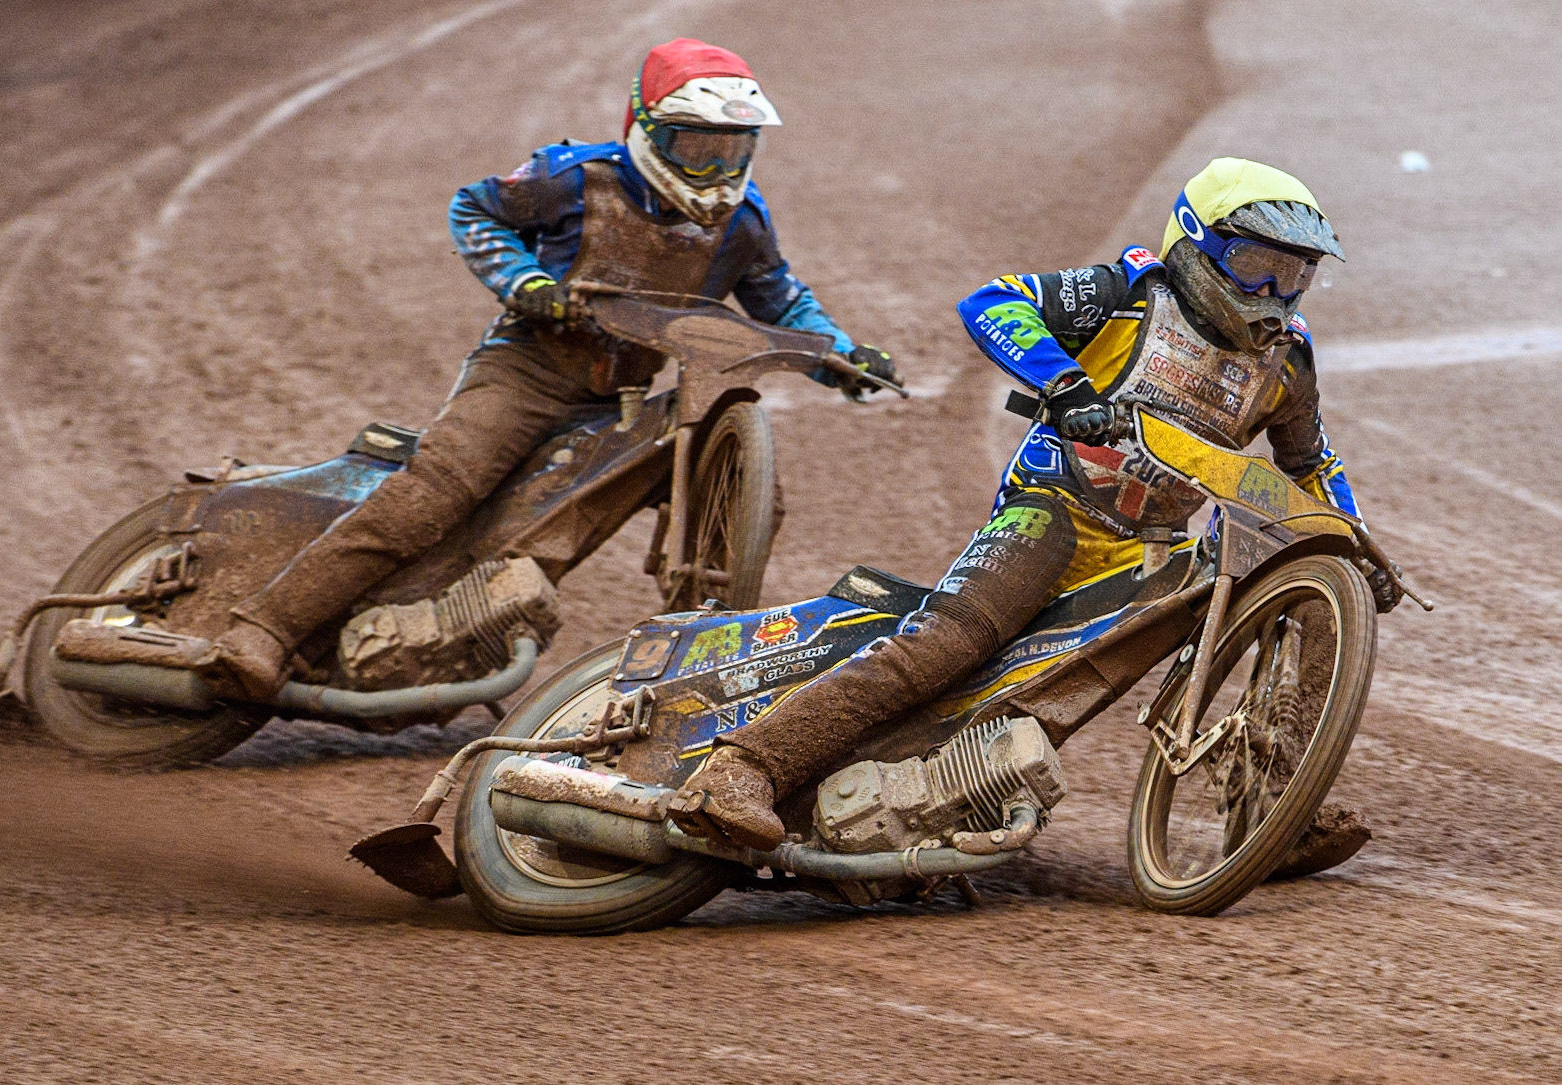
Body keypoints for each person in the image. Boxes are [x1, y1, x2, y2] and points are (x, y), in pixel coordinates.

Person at [670, 157, 1394, 853]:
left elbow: (1310, 464)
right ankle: (741, 768)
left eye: (1293, 275)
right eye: (1252, 265)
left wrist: (1351, 543)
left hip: (1156, 549)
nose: (1270, 292)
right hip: (1049, 511)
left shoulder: (1286, 362)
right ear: (1193, 242)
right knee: (947, 644)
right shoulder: (1128, 293)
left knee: (1304, 594)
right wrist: (1069, 386)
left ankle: (1276, 806)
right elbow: (992, 301)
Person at [193, 38, 895, 699]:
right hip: (524, 372)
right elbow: (474, 208)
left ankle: (682, 676)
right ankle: (265, 627)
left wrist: (842, 357)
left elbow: (782, 301)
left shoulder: (741, 221)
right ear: (647, 131)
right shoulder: (573, 177)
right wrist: (525, 283)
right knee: (437, 494)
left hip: (619, 400)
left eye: (730, 149)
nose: (713, 169)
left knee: (741, 488)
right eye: (696, 147)